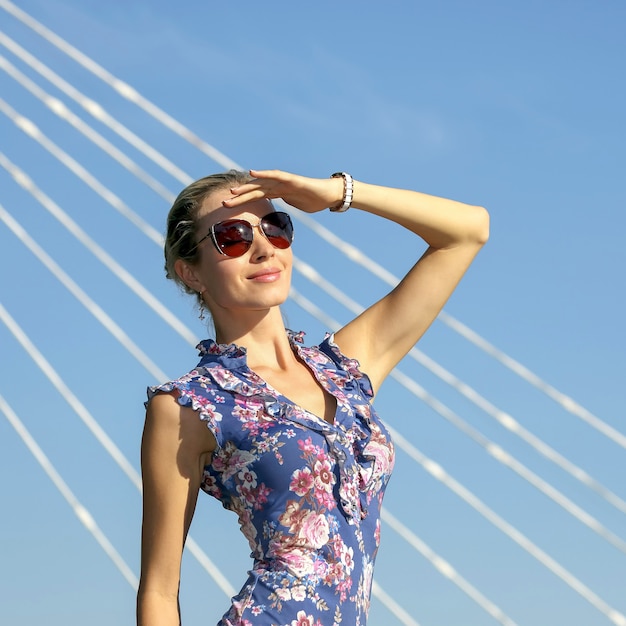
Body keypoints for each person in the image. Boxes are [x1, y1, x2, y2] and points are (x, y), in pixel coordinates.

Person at [137, 168, 489, 626]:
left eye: (275, 228)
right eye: (232, 237)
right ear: (191, 272)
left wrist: (337, 194)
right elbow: (160, 590)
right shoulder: (189, 406)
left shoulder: (345, 368)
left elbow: (467, 232)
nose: (264, 248)